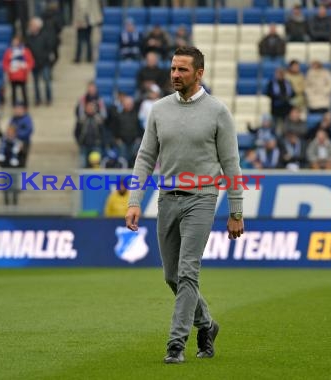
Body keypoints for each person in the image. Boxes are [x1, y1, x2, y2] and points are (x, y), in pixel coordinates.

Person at [125, 46, 244, 364]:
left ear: (199, 73)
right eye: (173, 69)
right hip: (167, 199)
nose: (175, 75)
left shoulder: (218, 112)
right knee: (171, 276)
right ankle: (207, 324)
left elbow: (231, 165)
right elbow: (145, 157)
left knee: (188, 272)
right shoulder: (159, 110)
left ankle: (176, 344)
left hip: (203, 199)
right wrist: (134, 200)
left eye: (182, 70)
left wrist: (236, 211)